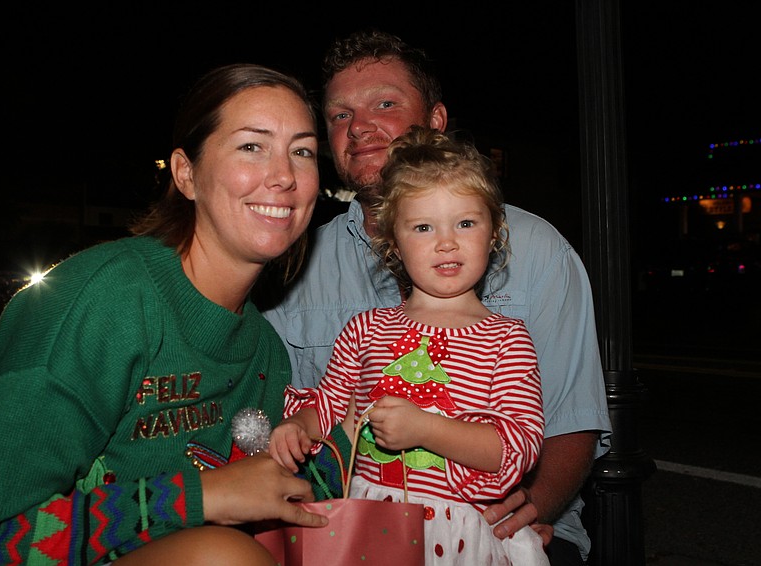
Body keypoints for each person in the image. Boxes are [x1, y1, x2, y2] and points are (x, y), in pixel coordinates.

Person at [0, 63, 326, 566]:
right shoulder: (99, 301)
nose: (284, 176)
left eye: (302, 151)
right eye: (252, 146)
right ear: (186, 174)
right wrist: (200, 496)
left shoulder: (267, 353)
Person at [260, 29, 612, 565]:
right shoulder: (295, 264)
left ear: (437, 120)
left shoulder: (538, 251)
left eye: (385, 104)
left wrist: (528, 509)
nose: (359, 127)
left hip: (504, 520)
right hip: (361, 523)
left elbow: (572, 422)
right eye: (339, 115)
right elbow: (320, 407)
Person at [270, 126, 550, 565]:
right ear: (394, 244)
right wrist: (298, 427)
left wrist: (426, 429)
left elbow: (517, 446)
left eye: (465, 223)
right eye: (422, 227)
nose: (446, 242)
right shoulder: (365, 329)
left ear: (494, 232)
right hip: (368, 522)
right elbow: (329, 406)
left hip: (463, 538)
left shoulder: (507, 339)